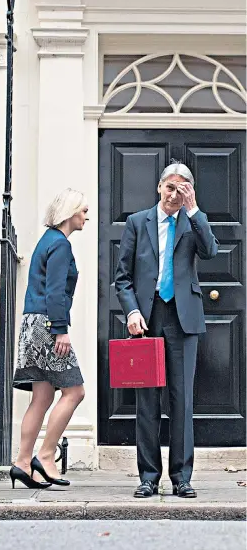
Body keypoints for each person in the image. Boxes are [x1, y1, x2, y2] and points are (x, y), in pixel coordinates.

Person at [115, 161, 218, 499]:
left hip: (182, 318)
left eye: (182, 188)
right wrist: (131, 309)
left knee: (182, 400)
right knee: (147, 401)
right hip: (147, 317)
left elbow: (211, 251)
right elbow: (123, 277)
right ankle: (148, 476)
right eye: (170, 187)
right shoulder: (137, 222)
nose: (175, 194)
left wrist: (195, 209)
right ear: (159, 187)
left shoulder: (192, 222)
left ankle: (181, 477)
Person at [11, 189, 88, 489]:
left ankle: (21, 462)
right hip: (47, 325)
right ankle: (45, 456)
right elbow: (55, 292)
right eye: (83, 210)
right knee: (74, 392)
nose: (87, 216)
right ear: (69, 213)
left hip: (33, 324)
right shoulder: (59, 246)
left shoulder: (47, 241)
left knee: (42, 397)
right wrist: (61, 329)